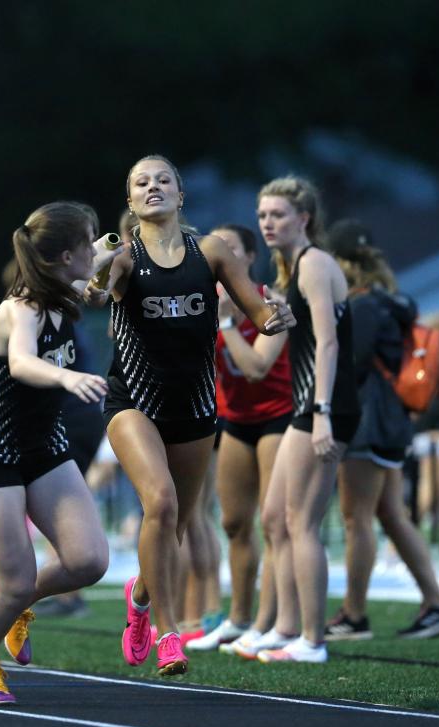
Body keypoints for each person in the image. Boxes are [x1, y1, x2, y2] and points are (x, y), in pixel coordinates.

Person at [85, 155, 295, 676]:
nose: (153, 187)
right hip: (132, 399)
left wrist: (278, 318)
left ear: (181, 195)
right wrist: (93, 268)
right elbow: (93, 290)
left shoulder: (214, 251)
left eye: (163, 180)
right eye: (141, 182)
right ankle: (169, 632)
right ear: (131, 201)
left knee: (174, 522)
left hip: (196, 405)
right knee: (159, 501)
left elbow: (258, 312)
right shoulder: (126, 258)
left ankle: (140, 601)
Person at [0, 201, 119, 704]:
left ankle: (20, 608)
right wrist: (67, 376)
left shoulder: (64, 288)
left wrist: (122, 245)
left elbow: (101, 270)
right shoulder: (20, 306)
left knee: (89, 561)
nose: (95, 247)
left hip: (44, 442)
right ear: (65, 256)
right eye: (87, 241)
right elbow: (23, 363)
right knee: (15, 580)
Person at [325, 219, 439, 641]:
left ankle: (354, 615)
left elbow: (351, 365)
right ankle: (437, 604)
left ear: (344, 262)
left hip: (368, 421)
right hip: (392, 420)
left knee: (356, 519)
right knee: (390, 514)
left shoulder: (363, 306)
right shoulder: (391, 302)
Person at [254, 176, 360, 664]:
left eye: (277, 215)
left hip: (324, 407)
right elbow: (312, 335)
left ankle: (313, 641)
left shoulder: (315, 263)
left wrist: (320, 415)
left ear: (304, 218)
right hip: (309, 405)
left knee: (301, 522)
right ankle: (286, 627)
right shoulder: (295, 267)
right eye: (262, 215)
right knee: (276, 518)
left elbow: (331, 343)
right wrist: (284, 314)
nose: (267, 223)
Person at [185, 224, 293, 654]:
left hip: (278, 418)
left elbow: (256, 368)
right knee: (232, 522)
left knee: (273, 522)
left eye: (228, 248)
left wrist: (227, 321)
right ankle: (238, 619)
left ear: (248, 258)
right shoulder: (202, 305)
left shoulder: (271, 303)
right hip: (234, 420)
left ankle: (269, 623)